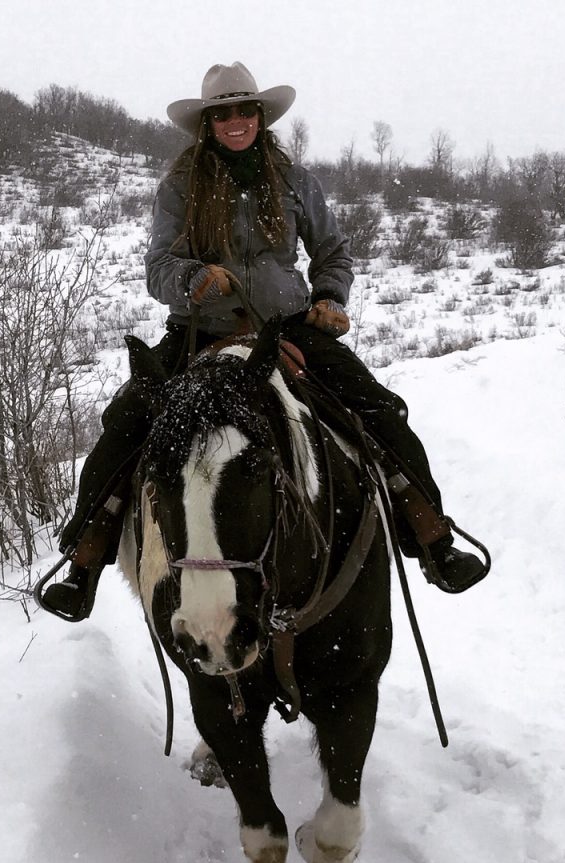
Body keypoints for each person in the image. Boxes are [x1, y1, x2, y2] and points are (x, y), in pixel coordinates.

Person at [39, 62, 487, 621]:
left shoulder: (298, 183)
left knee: (377, 409)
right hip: (199, 330)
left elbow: (333, 253)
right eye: (222, 112)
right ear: (208, 123)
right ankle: (84, 563)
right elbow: (158, 267)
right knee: (128, 419)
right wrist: (193, 278)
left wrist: (329, 297)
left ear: (260, 116)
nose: (234, 120)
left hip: (286, 327)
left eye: (243, 109)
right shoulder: (180, 187)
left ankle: (433, 539)